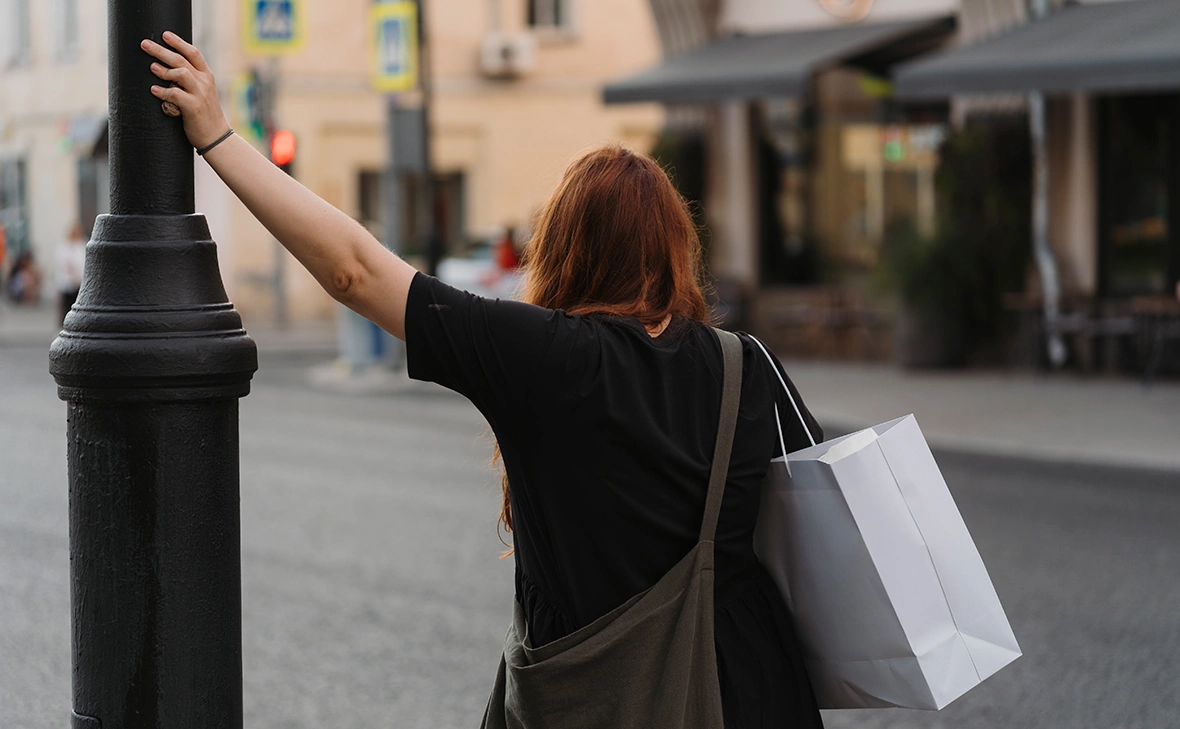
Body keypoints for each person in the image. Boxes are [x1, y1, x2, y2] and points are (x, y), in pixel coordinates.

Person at [143, 32, 824, 728]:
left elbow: (355, 270)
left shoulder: (547, 358)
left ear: (564, 249)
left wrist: (219, 137)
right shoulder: (747, 365)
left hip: (602, 695)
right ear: (678, 251)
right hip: (754, 688)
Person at [56, 222, 87, 325]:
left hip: (80, 282)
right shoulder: (64, 247)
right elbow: (63, 264)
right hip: (68, 282)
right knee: (66, 307)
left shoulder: (82, 245)